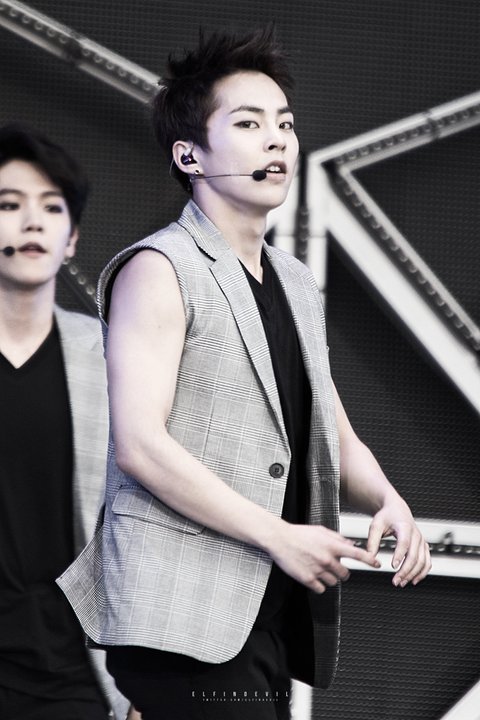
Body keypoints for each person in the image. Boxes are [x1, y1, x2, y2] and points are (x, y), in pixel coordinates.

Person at [58, 27, 431, 720]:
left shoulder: (294, 281)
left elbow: (330, 428)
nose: (277, 141)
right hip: (179, 608)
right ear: (189, 155)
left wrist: (388, 498)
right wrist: (280, 535)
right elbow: (140, 446)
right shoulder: (160, 268)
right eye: (250, 124)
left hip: (264, 610)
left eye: (284, 124)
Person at [0, 124, 138, 720]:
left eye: (52, 208)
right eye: (9, 205)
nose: (33, 222)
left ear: (72, 238)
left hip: (72, 673)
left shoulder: (111, 358)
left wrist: (145, 683)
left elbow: (147, 523)